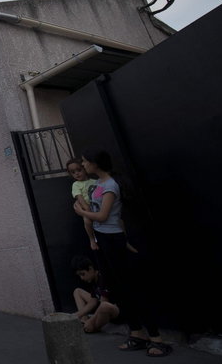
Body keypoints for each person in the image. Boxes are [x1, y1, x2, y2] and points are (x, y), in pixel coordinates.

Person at [73, 149, 172, 357]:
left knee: (134, 289)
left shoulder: (110, 185)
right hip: (103, 243)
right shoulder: (98, 185)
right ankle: (137, 333)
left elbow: (103, 215)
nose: (83, 166)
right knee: (120, 291)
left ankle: (156, 338)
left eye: (85, 162)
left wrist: (82, 213)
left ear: (95, 164)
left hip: (112, 240)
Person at [71, 255, 119, 333]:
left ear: (90, 269)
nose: (81, 278)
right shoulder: (93, 279)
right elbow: (93, 301)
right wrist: (75, 315)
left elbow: (104, 303)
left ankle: (91, 325)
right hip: (101, 306)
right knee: (77, 291)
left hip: (114, 310)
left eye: (83, 274)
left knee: (104, 306)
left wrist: (92, 320)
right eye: (79, 275)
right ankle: (84, 321)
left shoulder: (103, 277)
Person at [68, 158, 98, 251]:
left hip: (98, 206)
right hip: (86, 208)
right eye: (73, 172)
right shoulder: (76, 185)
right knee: (87, 221)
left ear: (84, 168)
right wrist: (87, 209)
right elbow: (79, 197)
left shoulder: (95, 181)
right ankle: (92, 239)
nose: (77, 173)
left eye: (79, 170)